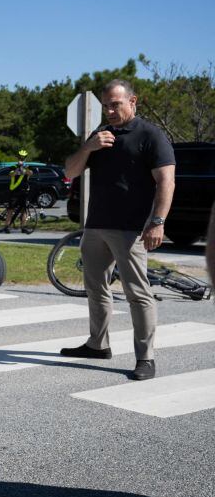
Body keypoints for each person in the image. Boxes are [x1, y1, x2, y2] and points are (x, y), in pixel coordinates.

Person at [60, 79, 175, 380]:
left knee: (137, 293)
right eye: (106, 105)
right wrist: (88, 146)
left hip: (130, 229)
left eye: (116, 104)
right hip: (96, 226)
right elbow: (69, 171)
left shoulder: (151, 135)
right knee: (96, 289)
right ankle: (98, 344)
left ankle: (146, 358)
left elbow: (166, 181)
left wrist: (157, 221)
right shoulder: (100, 135)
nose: (110, 110)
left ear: (133, 101)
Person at [1, 150, 35, 234]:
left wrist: (24, 167)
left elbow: (30, 173)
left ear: (26, 158)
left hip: (24, 191)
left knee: (24, 209)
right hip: (14, 190)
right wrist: (18, 168)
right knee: (11, 209)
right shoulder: (13, 166)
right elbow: (12, 174)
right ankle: (6, 226)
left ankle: (23, 227)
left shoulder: (28, 166)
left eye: (23, 158)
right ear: (18, 157)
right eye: (20, 157)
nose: (22, 159)